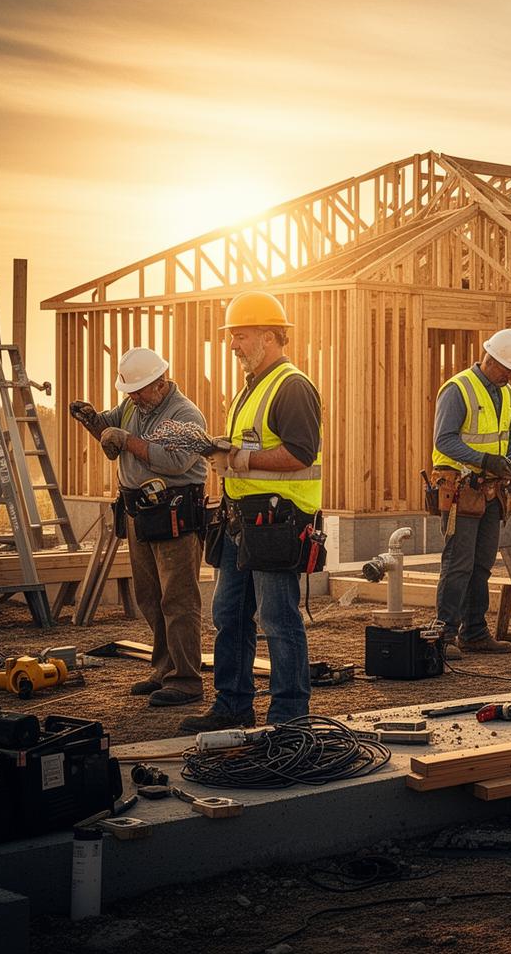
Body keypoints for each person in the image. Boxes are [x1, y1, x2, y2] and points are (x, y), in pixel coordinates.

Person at [181, 292, 323, 732]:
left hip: (279, 523)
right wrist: (225, 451)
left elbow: (300, 453)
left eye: (239, 336)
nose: (233, 346)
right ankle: (233, 705)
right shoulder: (252, 387)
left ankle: (289, 716)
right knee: (229, 615)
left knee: (278, 620)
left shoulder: (292, 386)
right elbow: (256, 443)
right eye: (232, 337)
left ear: (268, 335)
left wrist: (241, 459)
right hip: (243, 520)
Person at [68, 347, 209, 708]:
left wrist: (128, 441)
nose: (132, 396)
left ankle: (187, 680)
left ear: (160, 384)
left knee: (178, 599)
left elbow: (177, 460)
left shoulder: (185, 414)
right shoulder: (134, 406)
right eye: (129, 390)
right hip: (141, 514)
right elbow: (109, 428)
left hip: (174, 515)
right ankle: (165, 669)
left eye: (139, 390)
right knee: (150, 597)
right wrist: (92, 421)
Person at [430, 328, 511, 658]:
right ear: (490, 360)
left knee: (482, 563)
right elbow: (444, 440)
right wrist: (486, 460)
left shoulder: (507, 393)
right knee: (459, 563)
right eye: (507, 369)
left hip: (490, 491)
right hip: (461, 489)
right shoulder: (458, 389)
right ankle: (443, 633)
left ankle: (473, 631)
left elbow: (508, 440)